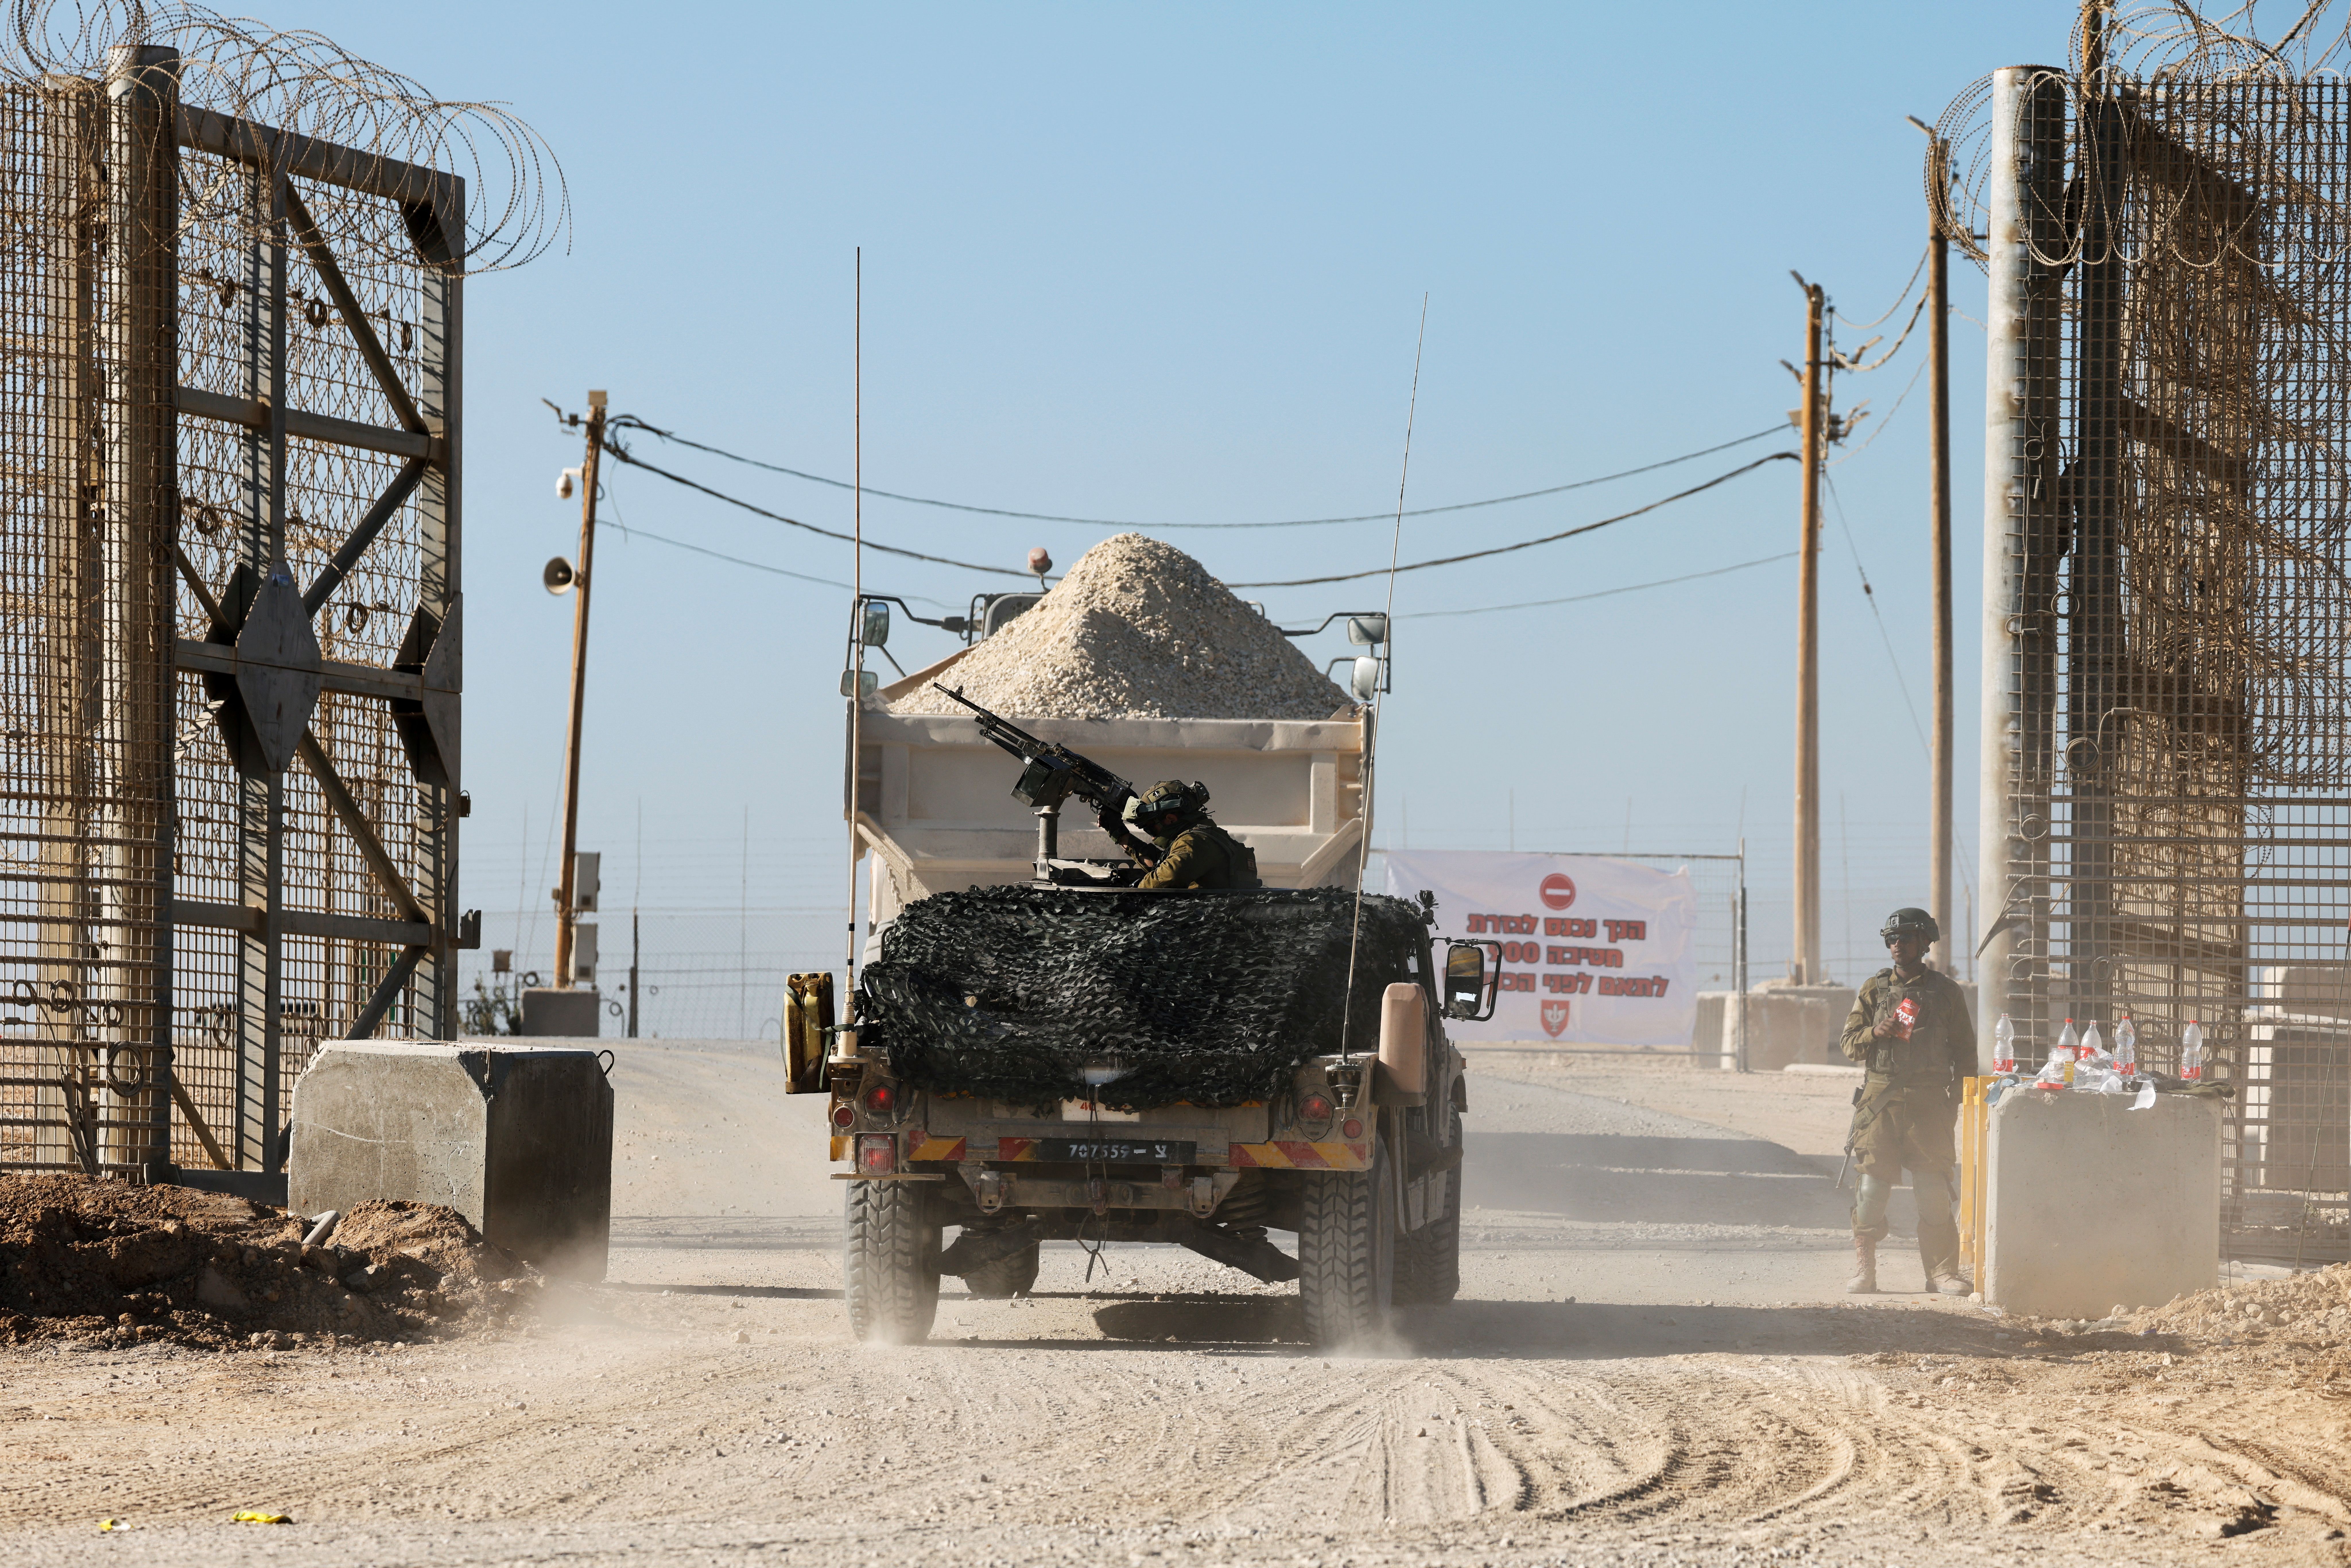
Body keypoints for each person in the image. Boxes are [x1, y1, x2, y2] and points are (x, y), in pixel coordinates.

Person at [1838, 907, 1974, 1296]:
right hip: (1880, 1104)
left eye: (1907, 938)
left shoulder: (1947, 993)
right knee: (1870, 1194)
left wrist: (1954, 1104)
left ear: (1925, 943)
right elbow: (1849, 1045)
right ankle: (1866, 1272)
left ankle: (1942, 1273)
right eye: (1892, 940)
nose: (1898, 945)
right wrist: (1875, 1033)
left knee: (1933, 1193)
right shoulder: (1873, 990)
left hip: (1930, 1105)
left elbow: (1966, 1054)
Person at [1095, 779, 1261, 889]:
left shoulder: (1195, 841)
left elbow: (1168, 876)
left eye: (1151, 829)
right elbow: (1160, 866)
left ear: (1171, 819)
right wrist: (1119, 833)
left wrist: (1128, 894)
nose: (1152, 837)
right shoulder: (1206, 837)